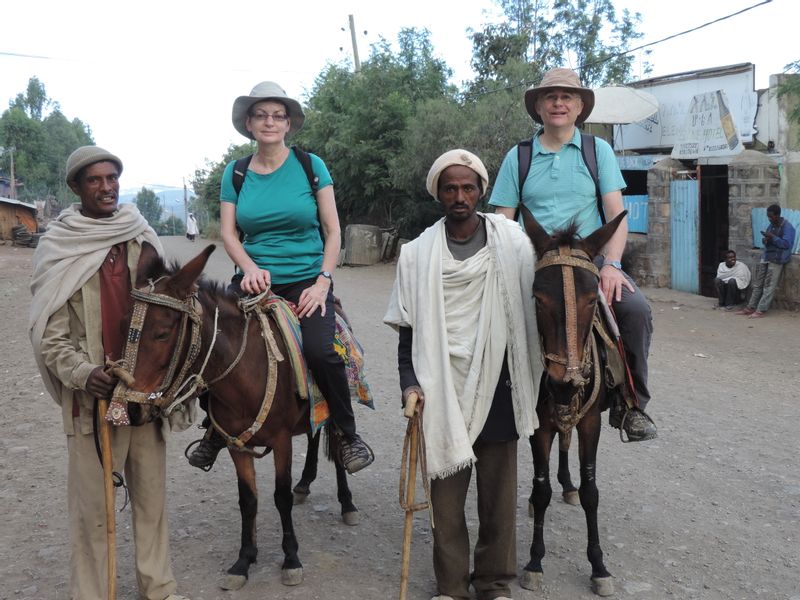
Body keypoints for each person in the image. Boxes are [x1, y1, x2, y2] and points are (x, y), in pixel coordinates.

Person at [187, 81, 373, 474]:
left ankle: (345, 432)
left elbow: (333, 231)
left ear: (288, 124)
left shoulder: (311, 166)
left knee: (323, 351)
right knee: (207, 339)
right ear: (249, 124)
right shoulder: (235, 173)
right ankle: (215, 428)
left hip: (307, 279)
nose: (269, 122)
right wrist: (250, 269)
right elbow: (228, 233)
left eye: (277, 115)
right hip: (254, 280)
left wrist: (323, 281)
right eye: (261, 115)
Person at [28, 146, 189, 600]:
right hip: (93, 399)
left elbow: (174, 315)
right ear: (76, 188)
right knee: (92, 511)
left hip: (144, 395)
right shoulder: (59, 248)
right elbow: (49, 334)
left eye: (112, 178)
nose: (106, 187)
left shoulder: (143, 238)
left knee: (151, 499)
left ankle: (159, 587)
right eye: (95, 180)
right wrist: (84, 373)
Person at [384, 150, 540, 600]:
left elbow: (532, 313)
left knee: (498, 501)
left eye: (468, 187)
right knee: (446, 506)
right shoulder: (416, 255)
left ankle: (494, 584)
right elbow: (409, 331)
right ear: (438, 193)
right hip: (439, 388)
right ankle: (451, 587)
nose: (459, 195)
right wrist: (409, 382)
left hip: (499, 383)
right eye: (449, 187)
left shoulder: (511, 243)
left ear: (480, 191)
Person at [489, 67, 657, 442]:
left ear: (580, 107)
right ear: (539, 107)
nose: (559, 103)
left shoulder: (598, 152)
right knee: (493, 320)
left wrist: (612, 265)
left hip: (588, 261)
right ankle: (495, 405)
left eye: (567, 97)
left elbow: (616, 216)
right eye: (551, 97)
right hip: (534, 264)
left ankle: (631, 404)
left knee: (635, 311)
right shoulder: (518, 157)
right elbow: (503, 221)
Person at [736, 204, 796, 318]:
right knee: (758, 283)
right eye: (768, 217)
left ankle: (761, 310)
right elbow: (770, 239)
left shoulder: (788, 227)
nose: (769, 219)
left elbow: (786, 244)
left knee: (769, 286)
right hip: (767, 256)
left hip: (777, 259)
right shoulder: (771, 225)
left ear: (778, 215)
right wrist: (766, 239)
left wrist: (772, 237)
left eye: (771, 217)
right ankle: (750, 307)